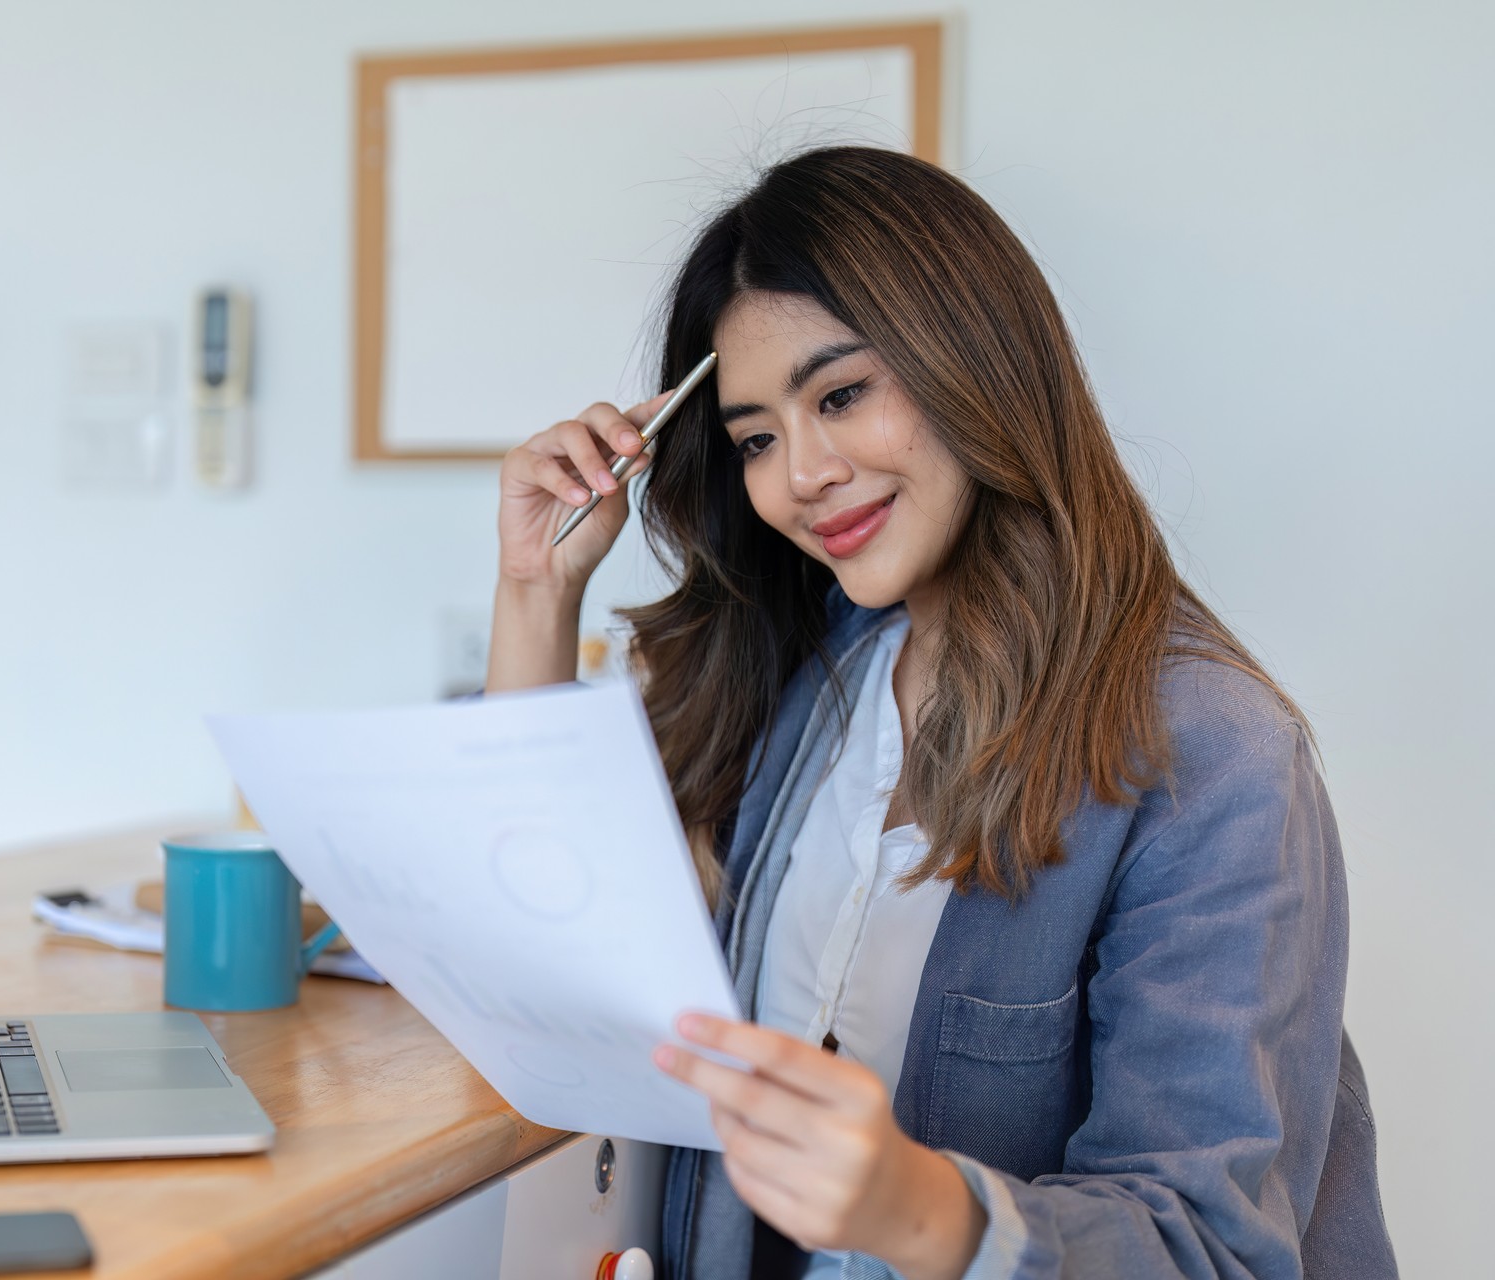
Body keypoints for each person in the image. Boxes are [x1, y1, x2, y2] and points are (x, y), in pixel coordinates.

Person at [484, 147, 1395, 1279]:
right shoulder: (811, 685)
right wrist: (534, 592)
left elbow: (1211, 1246)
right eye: (757, 437)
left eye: (844, 394)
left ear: (975, 362)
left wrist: (916, 1205)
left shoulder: (1213, 750)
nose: (801, 474)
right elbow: (550, 956)